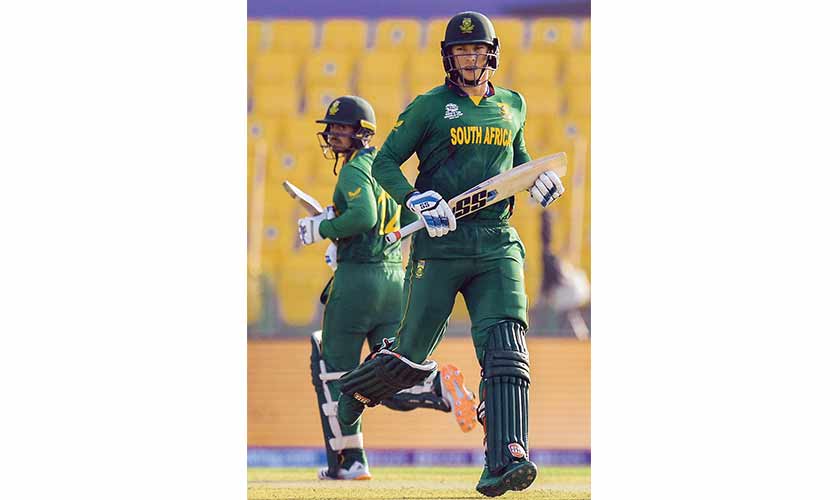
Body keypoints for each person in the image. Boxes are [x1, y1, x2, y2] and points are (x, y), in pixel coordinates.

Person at [334, 13, 564, 497]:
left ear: (491, 54)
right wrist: (414, 199)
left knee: (506, 351)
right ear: (449, 57)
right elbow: (384, 161)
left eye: (477, 51)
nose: (470, 59)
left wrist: (537, 178)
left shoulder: (512, 105)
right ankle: (355, 392)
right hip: (440, 245)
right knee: (412, 356)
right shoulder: (430, 107)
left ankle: (505, 459)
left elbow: (516, 162)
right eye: (462, 52)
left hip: (497, 242)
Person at [297, 95, 478, 481]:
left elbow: (361, 216)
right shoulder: (382, 167)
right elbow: (387, 217)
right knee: (391, 368)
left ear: (361, 132)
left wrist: (324, 230)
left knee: (334, 369)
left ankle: (350, 461)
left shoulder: (350, 172)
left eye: (341, 128)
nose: (332, 134)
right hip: (394, 277)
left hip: (358, 282)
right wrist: (340, 235)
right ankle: (437, 385)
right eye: (331, 128)